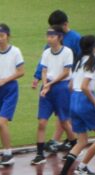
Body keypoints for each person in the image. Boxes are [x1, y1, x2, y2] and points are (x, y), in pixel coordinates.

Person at [33, 10, 82, 152]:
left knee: (64, 113)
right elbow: (44, 61)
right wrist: (37, 76)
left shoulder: (75, 39)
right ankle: (61, 140)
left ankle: (64, 140)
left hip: (70, 80)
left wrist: (76, 79)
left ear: (65, 24)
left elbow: (82, 60)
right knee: (62, 113)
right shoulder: (51, 39)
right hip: (54, 81)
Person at [55, 35, 95, 175]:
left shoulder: (78, 61)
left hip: (73, 100)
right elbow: (86, 87)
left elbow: (70, 86)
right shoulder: (93, 62)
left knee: (82, 142)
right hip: (85, 100)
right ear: (94, 47)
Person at [30, 26, 76, 165]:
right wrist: (45, 84)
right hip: (48, 87)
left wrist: (49, 84)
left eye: (52, 36)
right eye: (48, 36)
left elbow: (66, 72)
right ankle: (39, 153)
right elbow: (44, 70)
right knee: (42, 121)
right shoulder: (47, 52)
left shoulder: (67, 52)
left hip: (61, 88)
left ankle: (75, 146)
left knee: (64, 121)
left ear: (59, 37)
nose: (49, 39)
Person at [0, 24, 25, 167]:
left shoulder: (15, 51)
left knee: (1, 122)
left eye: (2, 36)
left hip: (10, 89)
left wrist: (4, 80)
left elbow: (21, 71)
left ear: (8, 36)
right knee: (1, 124)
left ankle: (9, 153)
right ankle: (6, 153)